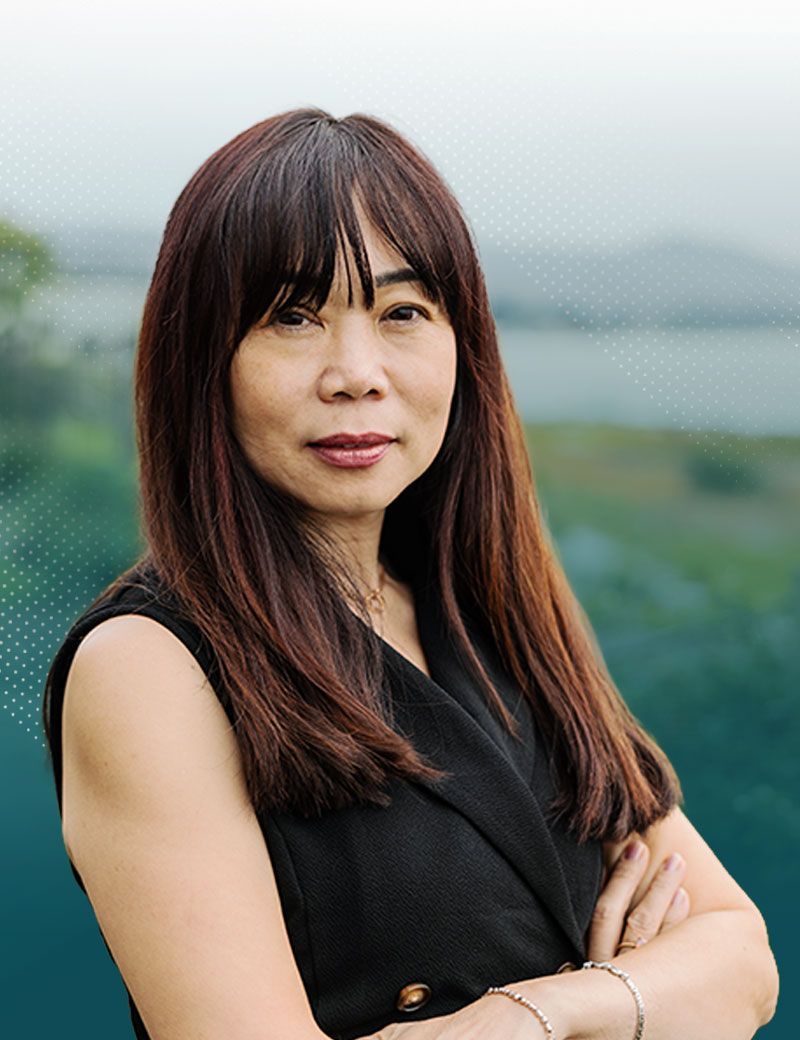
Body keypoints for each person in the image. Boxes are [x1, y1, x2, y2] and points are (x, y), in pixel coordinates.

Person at [41, 107, 778, 1040]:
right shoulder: (150, 665)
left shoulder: (496, 616)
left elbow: (744, 960)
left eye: (402, 313)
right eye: (293, 317)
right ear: (203, 362)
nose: (356, 373)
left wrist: (536, 1015)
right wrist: (646, 995)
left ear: (463, 345)